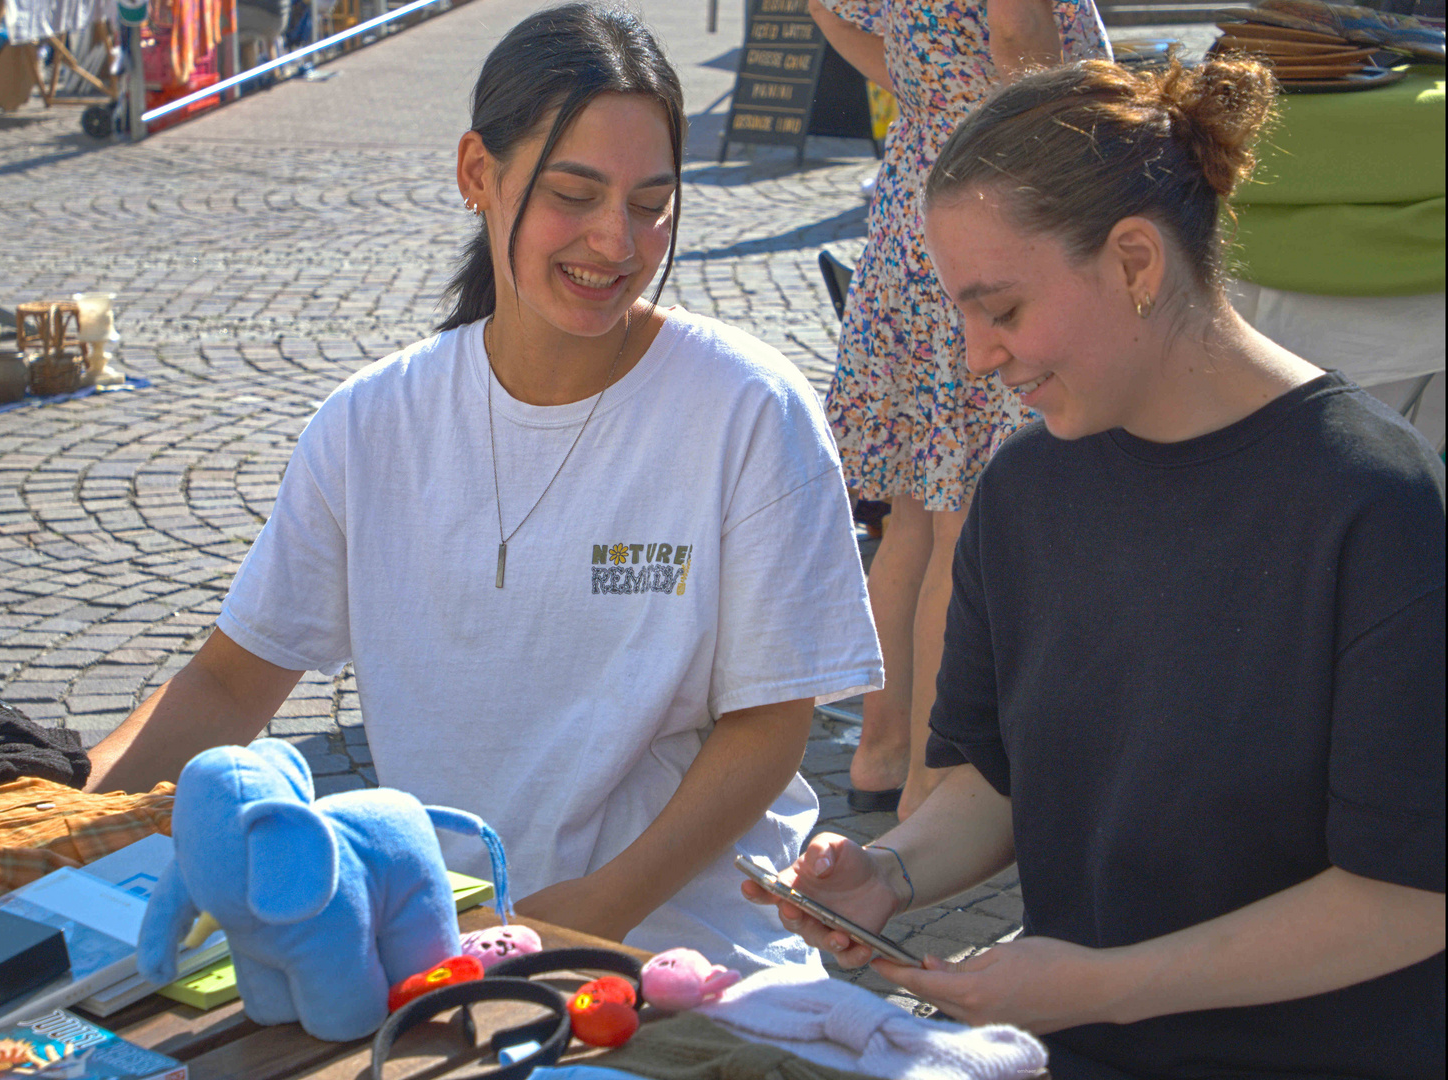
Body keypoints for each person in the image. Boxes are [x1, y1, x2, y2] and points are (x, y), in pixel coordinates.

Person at [84, 3, 882, 973]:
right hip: (435, 942)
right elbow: (228, 681)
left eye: (649, 202)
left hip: (690, 948)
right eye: (574, 193)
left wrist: (599, 907)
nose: (616, 241)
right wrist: (57, 820)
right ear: (478, 175)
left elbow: (770, 723)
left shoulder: (747, 406)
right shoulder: (370, 422)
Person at [746, 55, 1445, 1077]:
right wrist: (889, 873)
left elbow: (1408, 895)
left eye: (1003, 309)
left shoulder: (1379, 505)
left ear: (1133, 262)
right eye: (963, 313)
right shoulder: (1026, 488)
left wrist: (1107, 985)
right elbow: (997, 779)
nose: (978, 354)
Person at [809, 1, 1110, 821]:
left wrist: (927, 83)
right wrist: (1059, 145)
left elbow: (832, 13)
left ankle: (880, 756)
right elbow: (1018, 33)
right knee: (959, 523)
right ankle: (932, 786)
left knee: (911, 520)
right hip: (998, 204)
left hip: (918, 206)